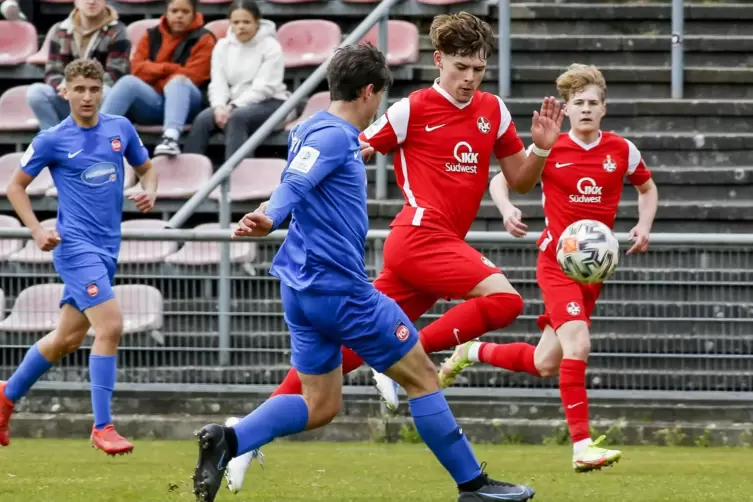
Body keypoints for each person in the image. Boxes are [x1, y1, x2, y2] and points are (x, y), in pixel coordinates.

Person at [223, 12, 564, 492]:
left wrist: (541, 151)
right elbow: (345, 147)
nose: (469, 78)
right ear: (439, 61)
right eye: (460, 66)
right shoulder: (410, 109)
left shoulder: (494, 111)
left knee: (336, 363)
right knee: (504, 302)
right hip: (420, 237)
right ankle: (435, 364)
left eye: (478, 69)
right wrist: (287, 200)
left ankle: (242, 434)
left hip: (434, 249)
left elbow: (521, 181)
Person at [439, 63, 659, 473]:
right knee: (579, 346)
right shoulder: (551, 147)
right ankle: (581, 446)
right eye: (579, 103)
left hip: (592, 271)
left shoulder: (622, 150)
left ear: (604, 108)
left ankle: (471, 350)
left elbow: (647, 188)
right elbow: (502, 179)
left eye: (594, 103)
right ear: (568, 109)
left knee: (546, 363)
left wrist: (643, 226)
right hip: (557, 262)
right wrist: (506, 210)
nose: (587, 109)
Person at [0, 59, 157, 455]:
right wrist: (37, 230)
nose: (87, 97)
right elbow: (15, 187)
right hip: (73, 247)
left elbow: (147, 168)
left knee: (67, 337)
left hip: (107, 249)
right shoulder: (53, 139)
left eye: (94, 89)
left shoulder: (120, 128)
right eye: (79, 89)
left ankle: (6, 395)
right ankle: (102, 426)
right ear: (64, 92)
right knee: (111, 326)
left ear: (102, 90)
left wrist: (149, 189)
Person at [100, 0, 215, 157]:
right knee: (127, 82)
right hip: (154, 102)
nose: (179, 16)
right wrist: (169, 68)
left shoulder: (205, 38)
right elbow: (137, 69)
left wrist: (154, 75)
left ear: (194, 13)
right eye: (174, 11)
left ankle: (170, 138)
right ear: (166, 13)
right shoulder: (151, 35)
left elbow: (195, 76)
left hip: (188, 105)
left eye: (185, 12)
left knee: (178, 82)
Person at [183, 0, 289, 162]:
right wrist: (218, 107)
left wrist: (233, 106)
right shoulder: (222, 46)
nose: (241, 26)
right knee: (204, 118)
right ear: (230, 23)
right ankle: (187, 174)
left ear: (257, 22)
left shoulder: (271, 46)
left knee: (237, 117)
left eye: (246, 22)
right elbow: (218, 83)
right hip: (232, 103)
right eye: (236, 22)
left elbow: (266, 87)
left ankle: (238, 177)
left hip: (271, 101)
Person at [27, 0, 130, 131]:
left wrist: (83, 86)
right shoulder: (60, 30)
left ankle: (96, 139)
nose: (92, 1)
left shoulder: (118, 30)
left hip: (97, 96)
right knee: (36, 92)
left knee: (108, 93)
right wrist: (63, 84)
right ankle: (53, 142)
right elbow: (52, 71)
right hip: (68, 96)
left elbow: (116, 73)